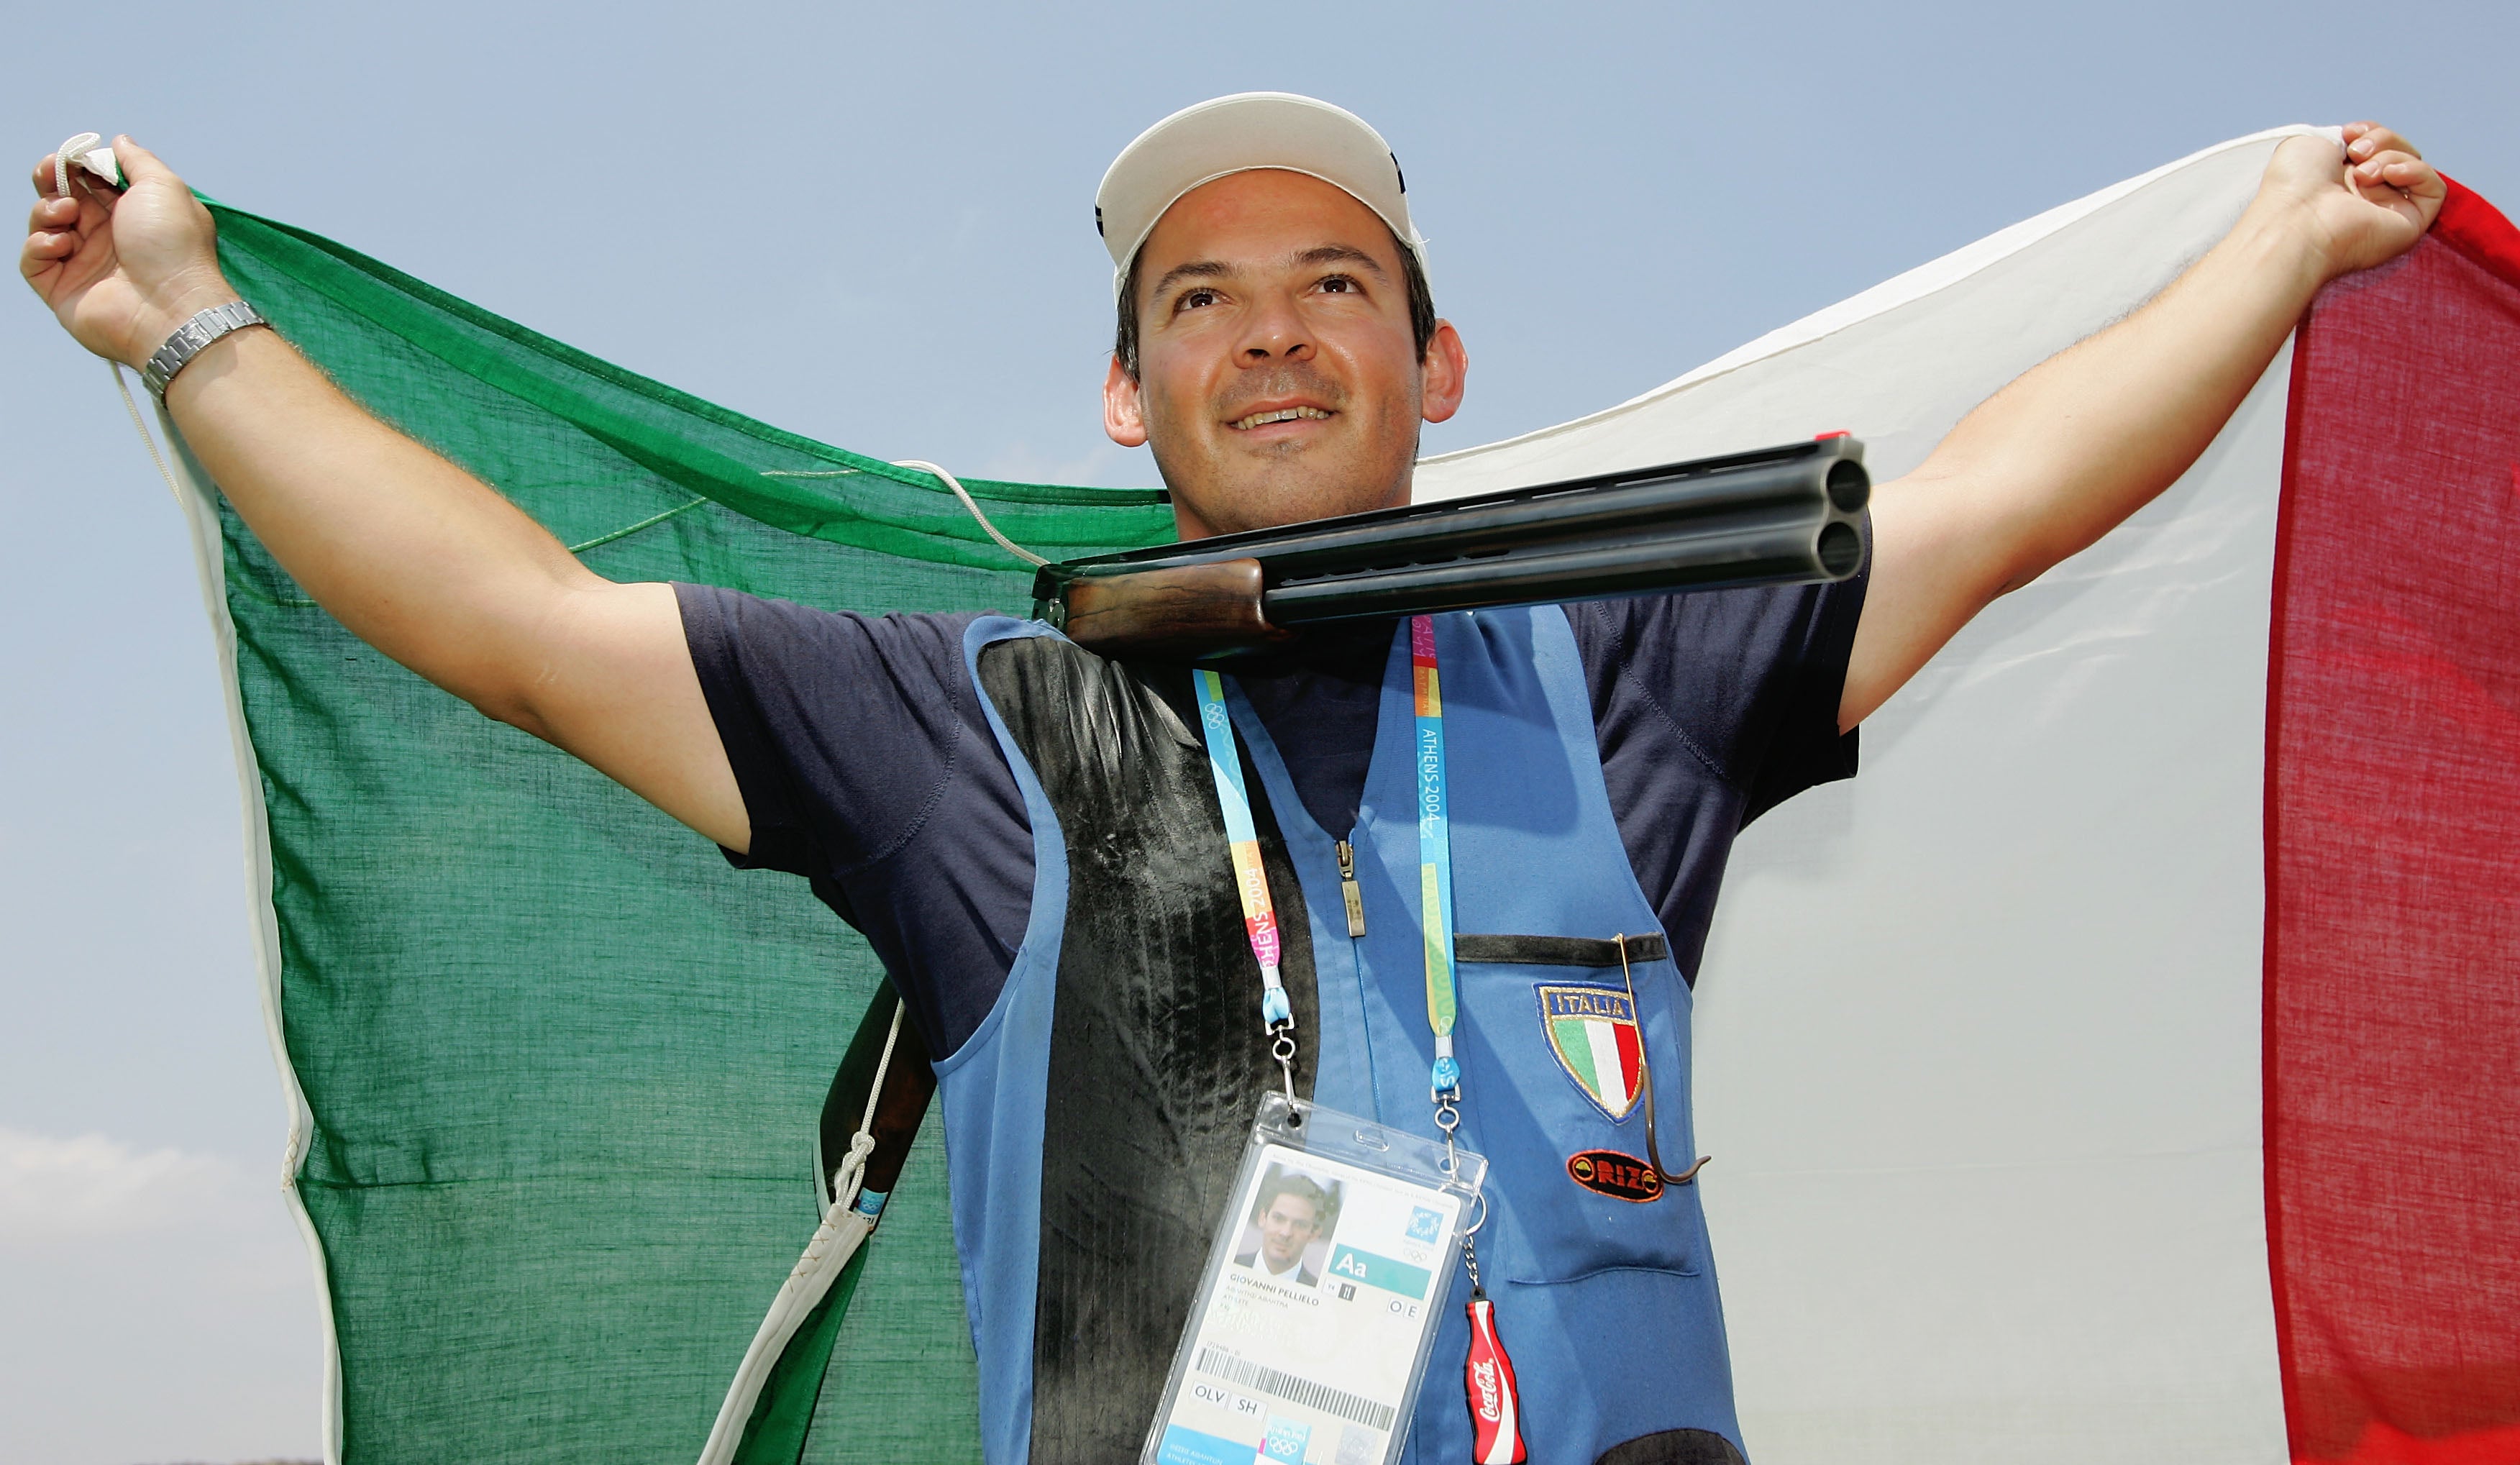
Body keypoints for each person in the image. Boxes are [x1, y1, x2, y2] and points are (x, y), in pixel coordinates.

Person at [22, 94, 2443, 1465]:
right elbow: (520, 632)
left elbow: (2001, 496)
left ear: (1434, 354)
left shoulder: (1628, 680)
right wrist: (185, 328)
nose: (1268, 331)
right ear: (1125, 400)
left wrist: (2270, 247)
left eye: (1330, 284)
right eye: (1197, 298)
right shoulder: (979, 724)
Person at [1234, 1170, 1333, 1287]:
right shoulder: (1228, 1265)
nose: (1286, 1233)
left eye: (1300, 1225)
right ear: (1263, 1218)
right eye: (1278, 1218)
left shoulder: (1318, 1290)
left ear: (1314, 1233)